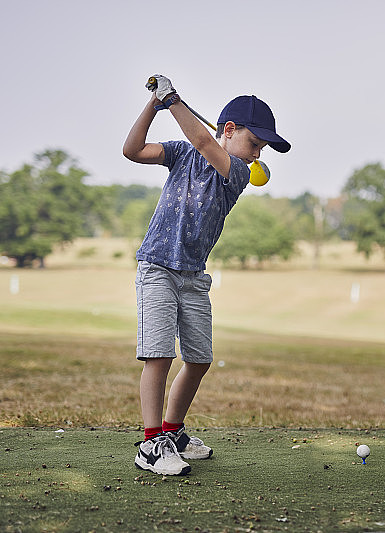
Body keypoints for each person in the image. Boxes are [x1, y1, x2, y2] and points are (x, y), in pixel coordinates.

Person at [122, 74, 290, 475]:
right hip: (158, 267)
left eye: (262, 148)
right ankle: (151, 444)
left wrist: (173, 100)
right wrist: (155, 105)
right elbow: (132, 150)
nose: (256, 154)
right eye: (254, 143)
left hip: (194, 277)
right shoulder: (181, 153)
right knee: (159, 355)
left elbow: (205, 143)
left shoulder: (238, 172)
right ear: (229, 129)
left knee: (199, 360)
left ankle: (173, 431)